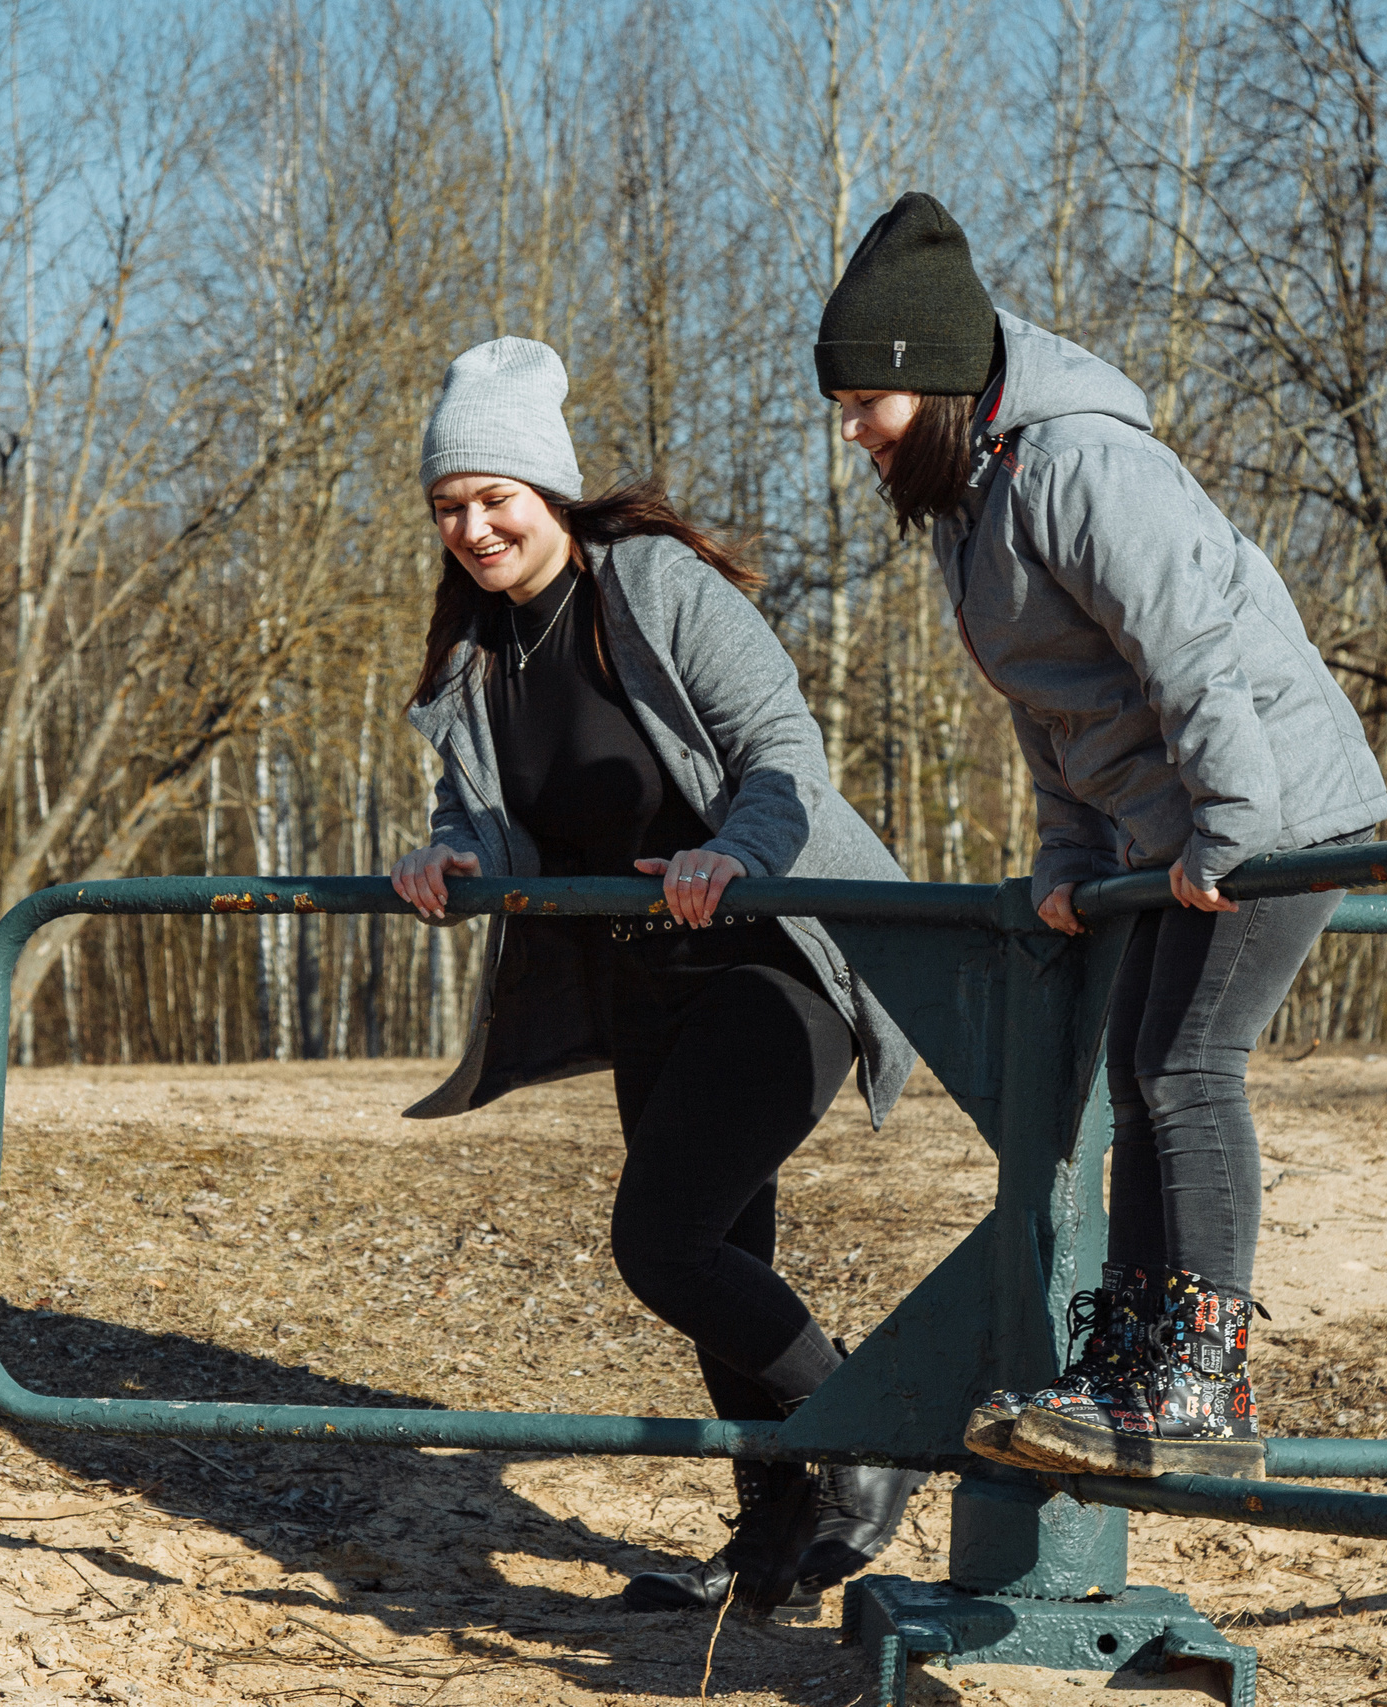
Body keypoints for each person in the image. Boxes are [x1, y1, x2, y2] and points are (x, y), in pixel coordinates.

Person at [815, 194, 1387, 1480]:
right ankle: (1137, 1370)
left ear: (938, 383)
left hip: (1273, 807)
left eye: (865, 403)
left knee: (1186, 1068)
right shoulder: (972, 504)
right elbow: (1054, 704)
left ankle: (1200, 1384)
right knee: (1141, 1080)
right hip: (1164, 832)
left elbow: (1188, 652)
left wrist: (1235, 827)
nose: (849, 431)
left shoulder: (1082, 467)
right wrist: (1068, 854)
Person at [392, 337, 926, 1615]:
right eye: (448, 508)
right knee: (721, 1259)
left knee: (664, 1240)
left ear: (550, 494)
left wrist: (727, 853)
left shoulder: (653, 588)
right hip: (647, 986)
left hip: (774, 961)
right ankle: (772, 1547)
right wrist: (447, 855)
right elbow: (480, 811)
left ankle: (861, 1431)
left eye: (494, 499)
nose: (472, 529)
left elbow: (780, 755)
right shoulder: (474, 657)